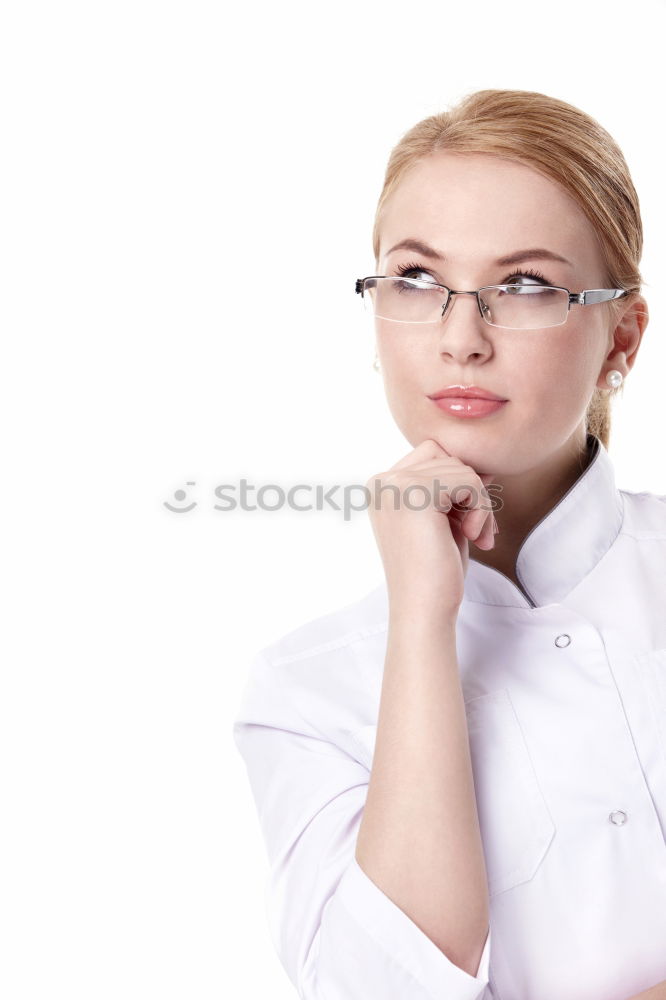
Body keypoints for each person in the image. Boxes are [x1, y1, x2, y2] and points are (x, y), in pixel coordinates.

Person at [232, 89, 666, 1000]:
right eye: (418, 281)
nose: (461, 339)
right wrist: (423, 625)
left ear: (621, 333)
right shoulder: (308, 690)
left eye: (525, 287)